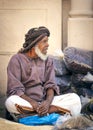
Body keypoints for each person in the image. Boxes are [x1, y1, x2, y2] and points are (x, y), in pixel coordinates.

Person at [5, 26, 81, 120]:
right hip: (26, 101)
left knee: (75, 99)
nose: (48, 44)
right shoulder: (16, 60)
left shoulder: (47, 60)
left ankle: (35, 113)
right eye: (44, 41)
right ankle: (53, 111)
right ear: (34, 44)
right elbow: (15, 89)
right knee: (10, 102)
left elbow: (50, 84)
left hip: (44, 102)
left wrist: (47, 103)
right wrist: (34, 104)